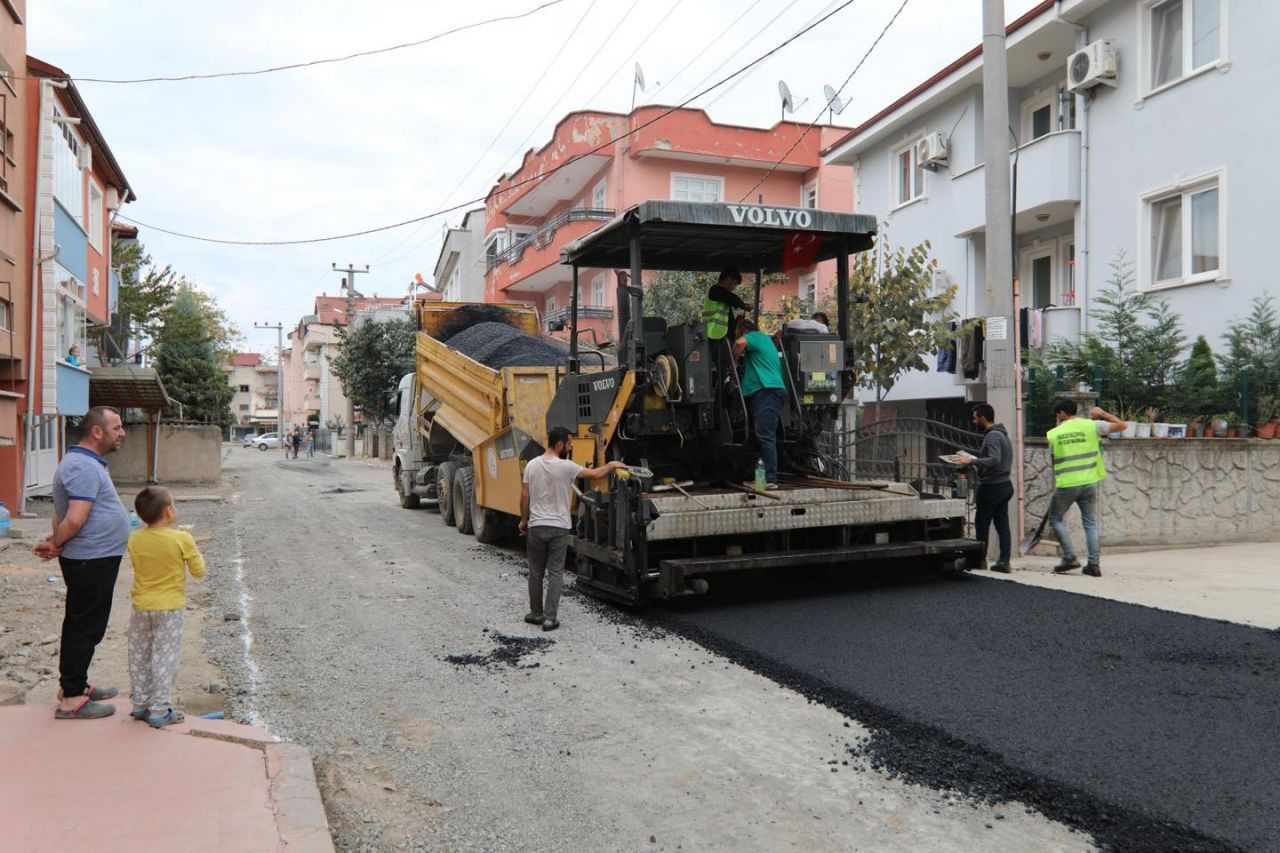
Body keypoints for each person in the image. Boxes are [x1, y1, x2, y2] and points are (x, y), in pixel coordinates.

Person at [32, 406, 130, 719]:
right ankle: (71, 697)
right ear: (97, 432)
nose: (122, 433)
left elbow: (61, 512)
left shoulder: (83, 463)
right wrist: (57, 542)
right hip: (91, 559)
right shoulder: (82, 467)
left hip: (93, 557)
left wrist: (55, 540)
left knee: (85, 624)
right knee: (84, 627)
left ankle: (75, 685)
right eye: (116, 427)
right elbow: (74, 519)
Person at [519, 426, 626, 631]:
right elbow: (595, 474)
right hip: (559, 527)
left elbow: (524, 496)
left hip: (537, 526)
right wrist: (612, 464)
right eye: (569, 444)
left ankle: (536, 614)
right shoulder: (567, 466)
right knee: (556, 574)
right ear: (560, 445)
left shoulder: (531, 465)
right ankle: (550, 619)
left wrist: (524, 520)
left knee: (535, 572)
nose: (569, 448)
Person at [126, 486, 206, 727]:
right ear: (170, 511)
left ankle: (140, 705)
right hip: (170, 608)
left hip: (141, 606)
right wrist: (193, 550)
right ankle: (159, 709)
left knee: (140, 654)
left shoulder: (134, 538)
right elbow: (198, 572)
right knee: (164, 656)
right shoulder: (182, 538)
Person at [1046, 399, 1126, 576]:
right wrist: (1102, 413)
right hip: (1089, 482)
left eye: (1057, 414)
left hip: (1067, 484)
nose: (1057, 417)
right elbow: (1121, 425)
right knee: (1090, 523)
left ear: (1062, 413)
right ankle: (1093, 565)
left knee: (1056, 519)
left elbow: (1053, 462)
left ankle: (1069, 557)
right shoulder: (1092, 425)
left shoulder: (1054, 434)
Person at [733, 318, 788, 489]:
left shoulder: (754, 336)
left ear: (744, 331)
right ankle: (760, 477)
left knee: (765, 435)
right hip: (767, 392)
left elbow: (739, 344)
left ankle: (770, 479)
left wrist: (733, 362)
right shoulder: (766, 340)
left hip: (767, 391)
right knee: (762, 435)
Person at [959, 403, 1014, 573]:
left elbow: (994, 459)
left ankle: (979, 560)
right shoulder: (1002, 435)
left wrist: (972, 461)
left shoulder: (992, 436)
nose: (974, 421)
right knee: (1002, 525)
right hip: (1004, 485)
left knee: (982, 523)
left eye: (975, 417)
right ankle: (1004, 562)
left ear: (983, 417)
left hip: (992, 487)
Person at [701, 266, 749, 342]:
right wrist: (743, 305)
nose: (734, 287)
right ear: (729, 279)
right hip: (715, 335)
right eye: (735, 283)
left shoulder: (723, 298)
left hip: (721, 335)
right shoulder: (715, 290)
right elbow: (732, 299)